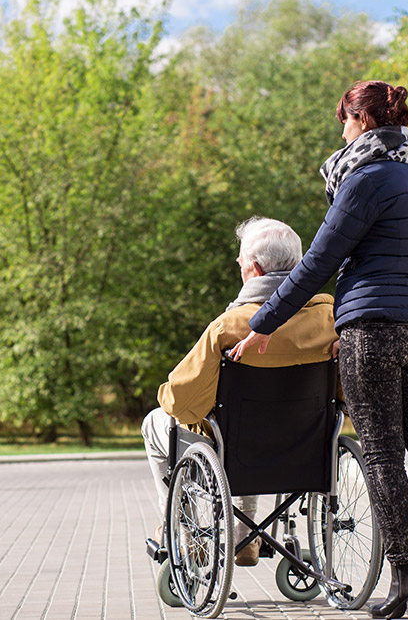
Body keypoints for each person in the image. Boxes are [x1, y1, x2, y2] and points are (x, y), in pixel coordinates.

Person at [230, 81, 408, 619]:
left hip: (370, 331)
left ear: (360, 122)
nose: (341, 132)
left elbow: (317, 262)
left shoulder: (363, 180)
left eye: (344, 121)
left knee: (382, 454)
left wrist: (264, 323)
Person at [141, 217, 338, 567]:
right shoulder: (332, 318)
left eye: (241, 265)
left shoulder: (231, 326)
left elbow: (180, 401)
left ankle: (185, 535)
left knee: (158, 421)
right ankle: (245, 537)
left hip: (238, 449)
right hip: (306, 448)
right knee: (247, 429)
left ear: (256, 269)